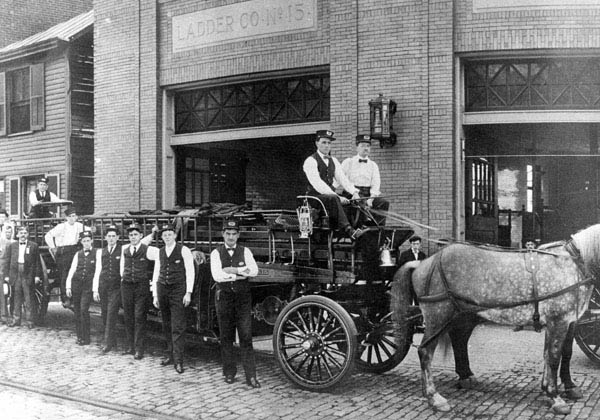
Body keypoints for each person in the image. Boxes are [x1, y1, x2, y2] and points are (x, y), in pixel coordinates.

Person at [210, 219, 261, 388]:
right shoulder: (216, 253)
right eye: (228, 234)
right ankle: (229, 373)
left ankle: (251, 376)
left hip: (242, 299)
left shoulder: (245, 251)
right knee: (226, 336)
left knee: (246, 336)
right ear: (223, 234)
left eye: (234, 234)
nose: (231, 237)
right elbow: (217, 276)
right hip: (224, 298)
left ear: (238, 235)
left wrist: (233, 270)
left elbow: (254, 271)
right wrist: (240, 274)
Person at [302, 130, 364, 240]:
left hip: (329, 198)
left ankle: (361, 228)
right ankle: (348, 230)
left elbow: (343, 179)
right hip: (315, 198)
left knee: (355, 198)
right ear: (317, 143)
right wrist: (337, 196)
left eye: (329, 143)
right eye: (324, 142)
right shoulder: (310, 161)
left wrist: (354, 192)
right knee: (333, 198)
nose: (327, 145)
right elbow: (318, 183)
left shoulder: (334, 161)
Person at [152, 224, 195, 374]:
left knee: (178, 325)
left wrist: (188, 292)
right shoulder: (160, 252)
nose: (167, 237)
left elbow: (190, 272)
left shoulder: (184, 250)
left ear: (175, 235)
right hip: (162, 288)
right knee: (166, 323)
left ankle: (178, 360)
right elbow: (156, 272)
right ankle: (170, 355)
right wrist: (155, 294)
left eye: (170, 234)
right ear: (162, 237)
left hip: (178, 290)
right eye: (164, 235)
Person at [120, 223, 159, 360]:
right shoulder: (124, 249)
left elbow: (162, 257)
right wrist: (123, 277)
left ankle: (139, 349)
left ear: (141, 236)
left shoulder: (148, 249)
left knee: (139, 317)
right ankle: (130, 347)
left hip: (141, 287)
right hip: (126, 286)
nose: (133, 237)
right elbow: (121, 266)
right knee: (128, 317)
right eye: (130, 235)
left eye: (135, 234)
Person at [341, 134, 390, 226]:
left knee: (383, 203)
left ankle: (377, 228)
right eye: (362, 146)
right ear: (357, 148)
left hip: (368, 194)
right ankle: (360, 228)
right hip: (351, 193)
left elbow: (376, 184)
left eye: (368, 146)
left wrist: (371, 199)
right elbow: (342, 180)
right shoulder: (348, 162)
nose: (366, 148)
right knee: (360, 204)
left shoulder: (373, 165)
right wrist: (353, 193)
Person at [92, 225, 123, 353]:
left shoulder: (122, 250)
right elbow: (97, 270)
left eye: (113, 236)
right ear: (105, 237)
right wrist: (95, 289)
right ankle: (112, 340)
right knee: (105, 314)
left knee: (111, 313)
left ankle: (107, 343)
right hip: (103, 286)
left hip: (115, 287)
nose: (111, 239)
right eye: (109, 236)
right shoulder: (101, 252)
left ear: (118, 237)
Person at [45, 208, 84, 308]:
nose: (72, 218)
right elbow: (48, 235)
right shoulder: (61, 226)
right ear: (66, 218)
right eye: (69, 216)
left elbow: (88, 230)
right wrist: (53, 247)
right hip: (63, 252)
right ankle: (65, 298)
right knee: (64, 274)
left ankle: (75, 298)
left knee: (74, 273)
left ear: (76, 217)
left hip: (74, 250)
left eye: (73, 216)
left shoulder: (79, 226)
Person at [4, 226, 42, 328]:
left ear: (28, 234)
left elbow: (37, 262)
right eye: (21, 233)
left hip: (27, 275)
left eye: (25, 233)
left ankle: (30, 321)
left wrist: (37, 276)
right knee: (16, 298)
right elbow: (7, 261)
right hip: (16, 275)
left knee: (28, 299)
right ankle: (16, 320)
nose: (23, 235)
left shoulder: (33, 246)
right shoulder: (12, 246)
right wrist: (7, 275)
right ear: (17, 235)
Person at [66, 231, 98, 345]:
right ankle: (80, 337)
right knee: (77, 311)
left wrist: (95, 288)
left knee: (84, 310)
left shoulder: (97, 253)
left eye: (88, 240)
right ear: (81, 242)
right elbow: (72, 270)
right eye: (84, 241)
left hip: (88, 287)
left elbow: (98, 271)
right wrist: (68, 286)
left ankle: (86, 337)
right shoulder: (78, 254)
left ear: (92, 241)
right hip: (77, 285)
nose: (86, 243)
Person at [0, 225, 14, 323]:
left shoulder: (7, 243)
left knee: (2, 294)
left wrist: (6, 274)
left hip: (1, 271)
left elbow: (7, 260)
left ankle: (3, 315)